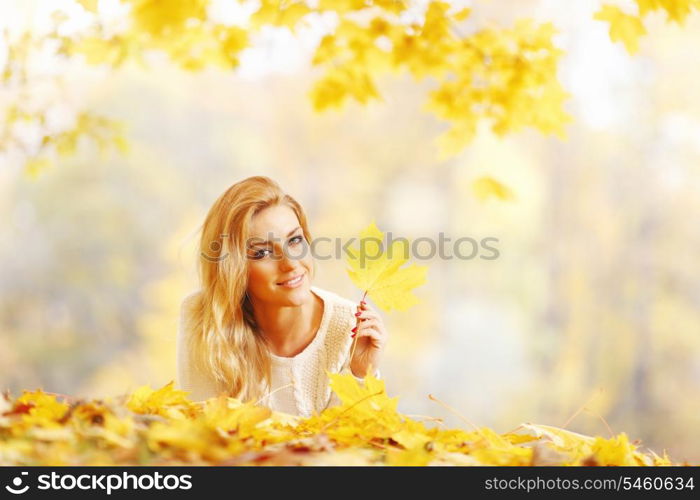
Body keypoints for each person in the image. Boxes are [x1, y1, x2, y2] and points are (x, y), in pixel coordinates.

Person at [176, 175, 388, 417]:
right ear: (232, 268)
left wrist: (362, 374)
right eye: (263, 252)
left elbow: (351, 444)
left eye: (295, 240)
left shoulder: (350, 327)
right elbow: (201, 430)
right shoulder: (204, 316)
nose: (291, 264)